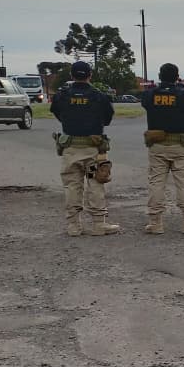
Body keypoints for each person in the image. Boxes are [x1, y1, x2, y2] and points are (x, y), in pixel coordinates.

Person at [50, 60, 119, 236]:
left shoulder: (62, 95)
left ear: (71, 76)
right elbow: (108, 118)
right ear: (90, 75)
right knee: (95, 182)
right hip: (92, 149)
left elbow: (56, 112)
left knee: (72, 186)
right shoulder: (98, 96)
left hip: (70, 148)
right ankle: (98, 224)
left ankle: (73, 225)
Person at [141, 62, 184, 235]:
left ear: (160, 77)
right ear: (177, 76)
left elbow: (146, 105)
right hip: (180, 144)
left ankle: (155, 222)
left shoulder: (149, 94)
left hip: (157, 145)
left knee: (156, 182)